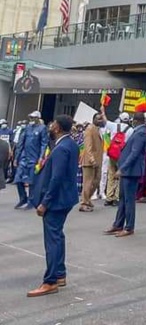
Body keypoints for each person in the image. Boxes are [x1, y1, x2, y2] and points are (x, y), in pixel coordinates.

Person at [26, 115, 79, 298]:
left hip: (57, 200)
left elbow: (56, 178)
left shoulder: (61, 148)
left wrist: (44, 203)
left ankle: (50, 281)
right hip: (65, 198)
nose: (50, 125)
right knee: (58, 235)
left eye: (53, 123)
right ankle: (60, 274)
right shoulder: (69, 144)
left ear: (57, 127)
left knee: (52, 240)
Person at [104, 111, 146, 238]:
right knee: (123, 198)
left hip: (131, 171)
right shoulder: (138, 131)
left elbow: (134, 154)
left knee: (129, 200)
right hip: (128, 171)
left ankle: (129, 227)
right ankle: (118, 224)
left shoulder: (140, 133)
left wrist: (122, 168)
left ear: (135, 120)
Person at [14, 110, 49, 209]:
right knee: (18, 179)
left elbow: (44, 144)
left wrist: (41, 157)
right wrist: (17, 157)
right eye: (31, 117)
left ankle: (31, 201)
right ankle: (23, 198)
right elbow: (20, 143)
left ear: (38, 118)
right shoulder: (27, 128)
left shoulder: (42, 129)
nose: (31, 119)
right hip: (24, 158)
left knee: (32, 181)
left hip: (35, 158)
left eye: (33, 117)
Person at [104, 113, 131, 205]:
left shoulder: (114, 126)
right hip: (122, 155)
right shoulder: (131, 130)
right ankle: (116, 198)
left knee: (111, 175)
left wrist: (103, 110)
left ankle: (108, 197)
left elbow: (104, 121)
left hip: (112, 154)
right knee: (119, 176)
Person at [79, 113, 104, 212]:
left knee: (97, 180)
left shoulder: (99, 130)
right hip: (90, 161)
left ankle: (87, 199)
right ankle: (84, 203)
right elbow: (88, 146)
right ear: (93, 119)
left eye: (101, 119)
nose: (100, 121)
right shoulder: (89, 129)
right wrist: (92, 159)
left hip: (98, 160)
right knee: (88, 182)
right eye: (98, 119)